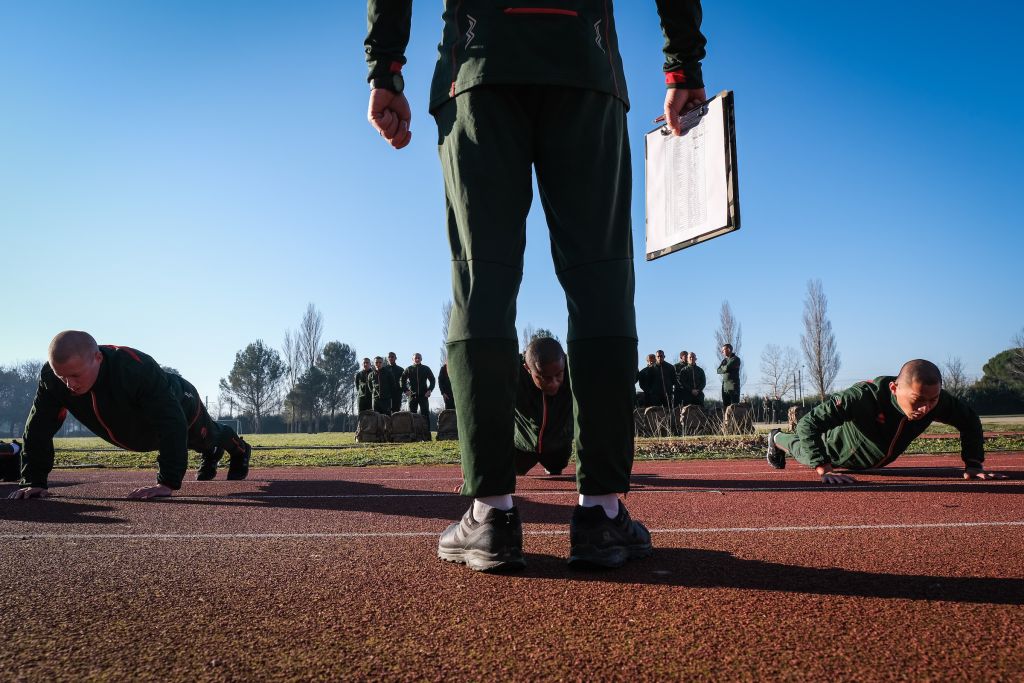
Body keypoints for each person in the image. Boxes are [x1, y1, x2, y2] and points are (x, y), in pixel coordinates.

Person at [366, 0, 707, 571]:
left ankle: (492, 513)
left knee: (482, 282)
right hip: (584, 59)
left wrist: (386, 69)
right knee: (601, 279)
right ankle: (601, 512)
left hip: (479, 63)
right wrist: (682, 68)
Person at [9, 331, 251, 501]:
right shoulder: (53, 380)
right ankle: (210, 452)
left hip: (180, 402)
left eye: (75, 375)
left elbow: (170, 422)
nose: (69, 384)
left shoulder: (135, 369)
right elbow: (38, 426)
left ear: (98, 358)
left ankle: (235, 449)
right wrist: (34, 480)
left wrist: (166, 483)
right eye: (61, 375)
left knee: (204, 437)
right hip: (137, 429)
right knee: (191, 441)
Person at [766, 359, 1005, 485]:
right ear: (894, 388)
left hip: (875, 459)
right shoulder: (863, 397)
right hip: (836, 449)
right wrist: (824, 469)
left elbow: (969, 419)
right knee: (802, 449)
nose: (925, 408)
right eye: (917, 400)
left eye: (933, 400)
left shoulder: (937, 401)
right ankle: (776, 438)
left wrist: (974, 464)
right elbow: (808, 424)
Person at [514, 338, 573, 477]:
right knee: (512, 475)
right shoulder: (514, 373)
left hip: (558, 447)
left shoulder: (574, 370)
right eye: (545, 377)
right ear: (528, 369)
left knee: (557, 470)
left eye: (558, 374)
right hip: (521, 446)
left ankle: (554, 464)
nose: (553, 383)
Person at [401, 353, 435, 421]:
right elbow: (402, 380)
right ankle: (413, 431)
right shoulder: (408, 369)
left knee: (425, 415)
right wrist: (406, 390)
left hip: (424, 395)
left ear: (421, 359)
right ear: (412, 359)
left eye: (419, 358)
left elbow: (432, 380)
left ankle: (426, 431)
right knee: (412, 415)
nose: (417, 359)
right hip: (412, 395)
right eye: (415, 358)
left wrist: (429, 390)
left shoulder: (426, 368)